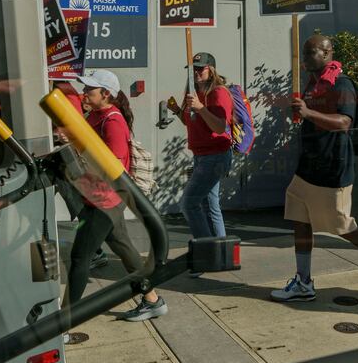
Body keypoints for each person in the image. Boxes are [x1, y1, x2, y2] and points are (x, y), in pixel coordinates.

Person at [269, 34, 358, 303]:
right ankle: (303, 282)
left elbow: (343, 122)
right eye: (304, 53)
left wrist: (308, 113)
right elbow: (313, 117)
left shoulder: (341, 85)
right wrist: (300, 114)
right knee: (300, 220)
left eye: (310, 53)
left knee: (343, 226)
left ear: (327, 53)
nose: (305, 58)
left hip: (333, 169)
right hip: (307, 168)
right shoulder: (313, 85)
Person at [65, 70, 167, 321]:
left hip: (104, 200)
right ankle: (153, 300)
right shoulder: (95, 115)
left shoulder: (112, 120)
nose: (84, 93)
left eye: (90, 89)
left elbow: (115, 166)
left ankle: (63, 323)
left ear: (106, 94)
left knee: (79, 258)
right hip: (100, 197)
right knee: (126, 249)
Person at [165, 52, 233, 240]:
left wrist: (200, 108)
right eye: (193, 69)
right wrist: (178, 110)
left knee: (189, 203)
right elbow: (191, 123)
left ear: (211, 70)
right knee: (210, 206)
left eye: (200, 69)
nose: (196, 72)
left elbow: (219, 127)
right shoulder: (194, 94)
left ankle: (206, 248)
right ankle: (220, 249)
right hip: (202, 156)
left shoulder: (218, 93)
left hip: (215, 155)